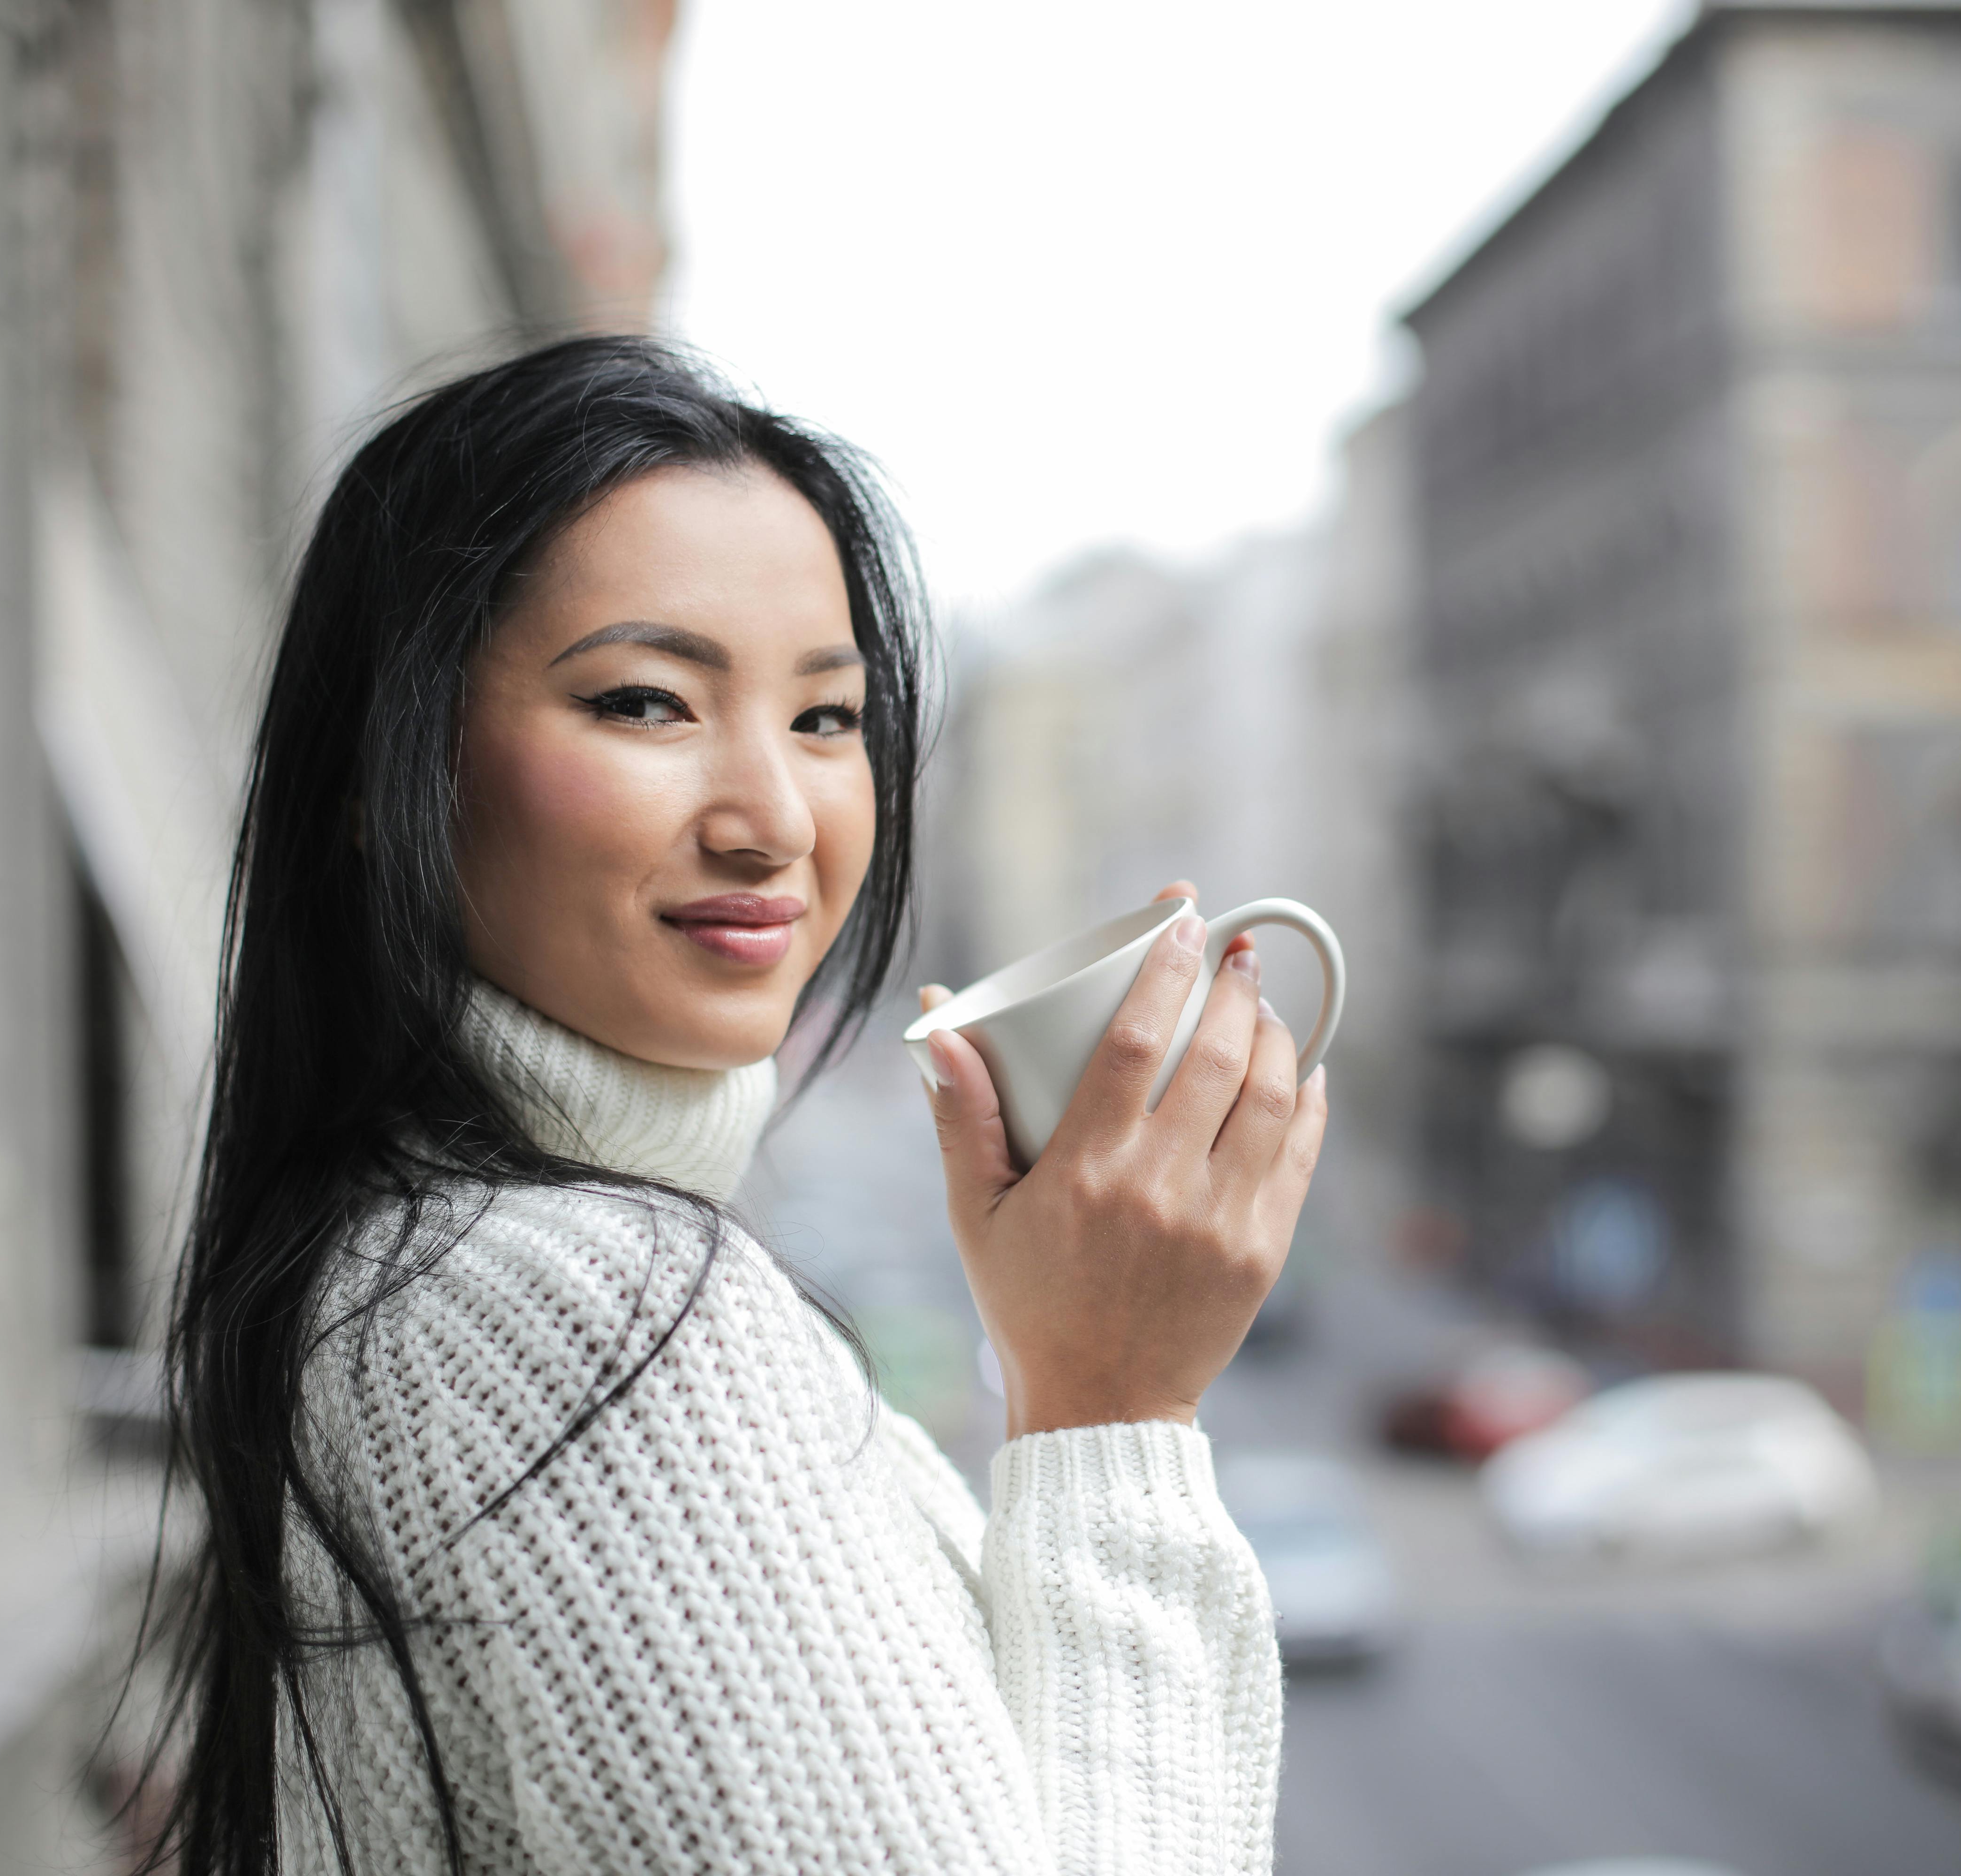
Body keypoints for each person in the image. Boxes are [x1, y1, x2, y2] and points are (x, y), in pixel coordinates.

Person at [150, 336, 1327, 1876]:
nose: (774, 820)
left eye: (828, 720)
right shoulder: (584, 1316)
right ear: (388, 768)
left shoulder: (422, 1258)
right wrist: (1111, 1409)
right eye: (645, 703)